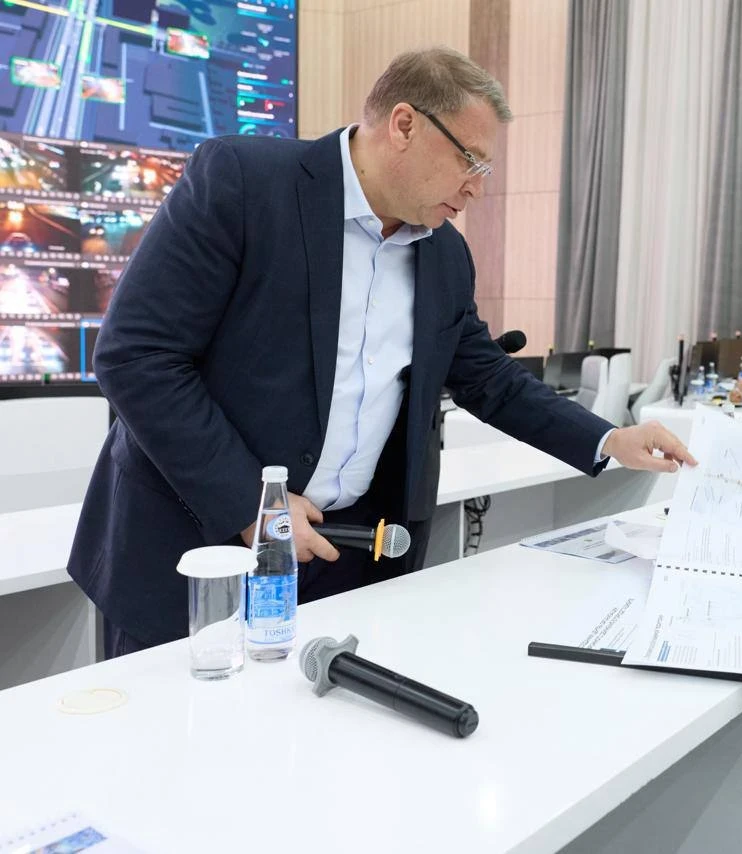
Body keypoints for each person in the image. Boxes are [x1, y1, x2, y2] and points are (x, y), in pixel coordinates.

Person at [68, 47, 694, 658]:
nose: (477, 188)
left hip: (346, 558)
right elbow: (137, 354)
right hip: (201, 553)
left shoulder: (444, 254)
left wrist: (609, 439)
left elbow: (488, 379)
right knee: (183, 726)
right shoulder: (244, 182)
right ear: (404, 125)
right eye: (470, 160)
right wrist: (248, 502)